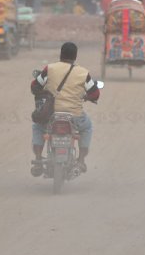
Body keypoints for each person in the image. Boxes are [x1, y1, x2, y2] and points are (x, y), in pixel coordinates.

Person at [30, 42, 100, 176]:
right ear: (75, 56)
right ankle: (80, 160)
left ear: (61, 54)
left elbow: (35, 85)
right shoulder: (83, 73)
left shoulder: (49, 68)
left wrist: (43, 93)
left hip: (51, 115)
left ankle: (38, 160)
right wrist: (87, 97)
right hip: (75, 116)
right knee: (87, 128)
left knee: (38, 126)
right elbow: (95, 93)